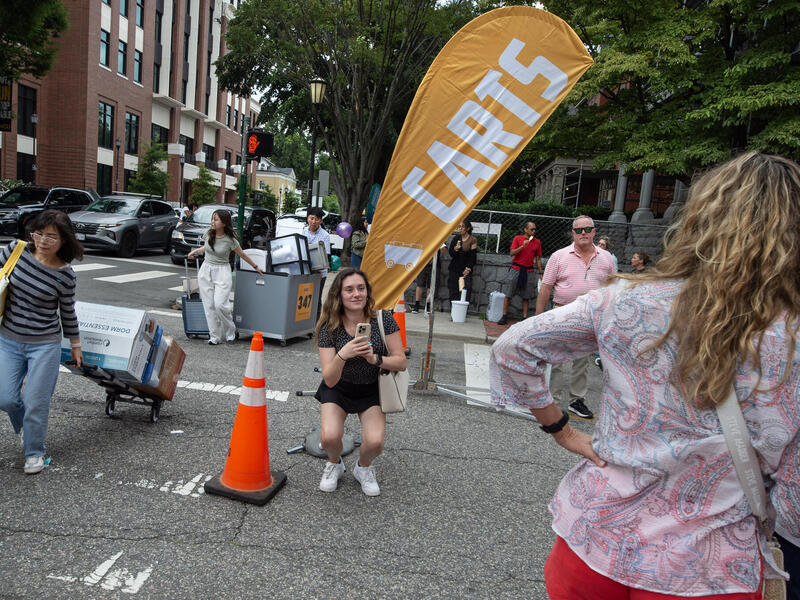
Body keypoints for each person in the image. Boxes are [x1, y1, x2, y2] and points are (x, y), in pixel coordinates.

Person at [491, 152, 800, 599]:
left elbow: (512, 348)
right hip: (706, 561)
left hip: (595, 539)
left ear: (701, 218)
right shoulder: (789, 336)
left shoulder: (625, 301)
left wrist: (560, 429)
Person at [0, 211, 83, 475]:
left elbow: (67, 312)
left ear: (63, 241)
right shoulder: (15, 251)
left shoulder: (65, 275)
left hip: (44, 345)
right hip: (8, 339)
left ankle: (35, 452)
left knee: (36, 402)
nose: (43, 241)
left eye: (51, 237)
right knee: (6, 398)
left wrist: (75, 344)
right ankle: (26, 426)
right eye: (39, 234)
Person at [315, 268, 406, 496]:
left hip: (371, 388)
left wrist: (374, 358)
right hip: (339, 387)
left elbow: (401, 362)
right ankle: (334, 463)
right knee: (329, 437)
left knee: (375, 443)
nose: (356, 294)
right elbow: (329, 378)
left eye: (361, 288)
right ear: (339, 295)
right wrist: (343, 354)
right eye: (349, 289)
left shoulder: (383, 319)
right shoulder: (329, 326)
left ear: (367, 292)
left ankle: (362, 468)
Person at [535, 215, 616, 419]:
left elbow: (613, 289)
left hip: (591, 315)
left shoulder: (606, 258)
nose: (583, 233)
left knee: (583, 361)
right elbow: (545, 289)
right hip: (562, 312)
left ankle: (576, 400)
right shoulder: (559, 256)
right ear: (572, 233)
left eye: (587, 229)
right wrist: (537, 319)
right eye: (579, 230)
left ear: (594, 232)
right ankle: (552, 400)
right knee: (556, 360)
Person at [187, 209, 263, 345]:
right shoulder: (208, 234)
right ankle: (214, 336)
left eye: (216, 219)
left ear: (224, 223)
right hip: (206, 270)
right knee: (209, 305)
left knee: (220, 305)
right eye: (212, 218)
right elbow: (207, 248)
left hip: (222, 271)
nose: (212, 222)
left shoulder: (230, 240)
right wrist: (196, 251)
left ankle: (230, 331)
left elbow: (243, 255)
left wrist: (256, 267)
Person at [498, 221, 543, 325]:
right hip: (516, 269)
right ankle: (504, 315)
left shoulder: (537, 242)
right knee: (509, 293)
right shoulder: (518, 239)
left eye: (535, 229)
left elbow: (538, 259)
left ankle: (524, 317)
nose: (534, 231)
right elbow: (511, 253)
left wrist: (541, 272)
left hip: (529, 271)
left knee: (526, 295)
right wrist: (522, 246)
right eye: (532, 229)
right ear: (525, 230)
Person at [303, 207, 331, 321]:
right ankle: (304, 321)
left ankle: (315, 324)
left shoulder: (325, 235)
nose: (313, 221)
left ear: (321, 221)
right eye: (311, 218)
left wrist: (319, 269)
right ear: (307, 218)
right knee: (304, 296)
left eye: (317, 219)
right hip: (305, 270)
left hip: (319, 273)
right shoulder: (303, 231)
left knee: (316, 298)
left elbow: (326, 254)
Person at [446, 220, 478, 305]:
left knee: (466, 290)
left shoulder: (472, 239)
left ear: (468, 228)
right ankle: (453, 310)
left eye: (462, 226)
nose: (460, 229)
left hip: (465, 268)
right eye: (459, 227)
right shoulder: (456, 238)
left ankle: (463, 310)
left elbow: (473, 256)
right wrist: (455, 250)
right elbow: (451, 253)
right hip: (455, 267)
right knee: (453, 289)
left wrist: (468, 268)